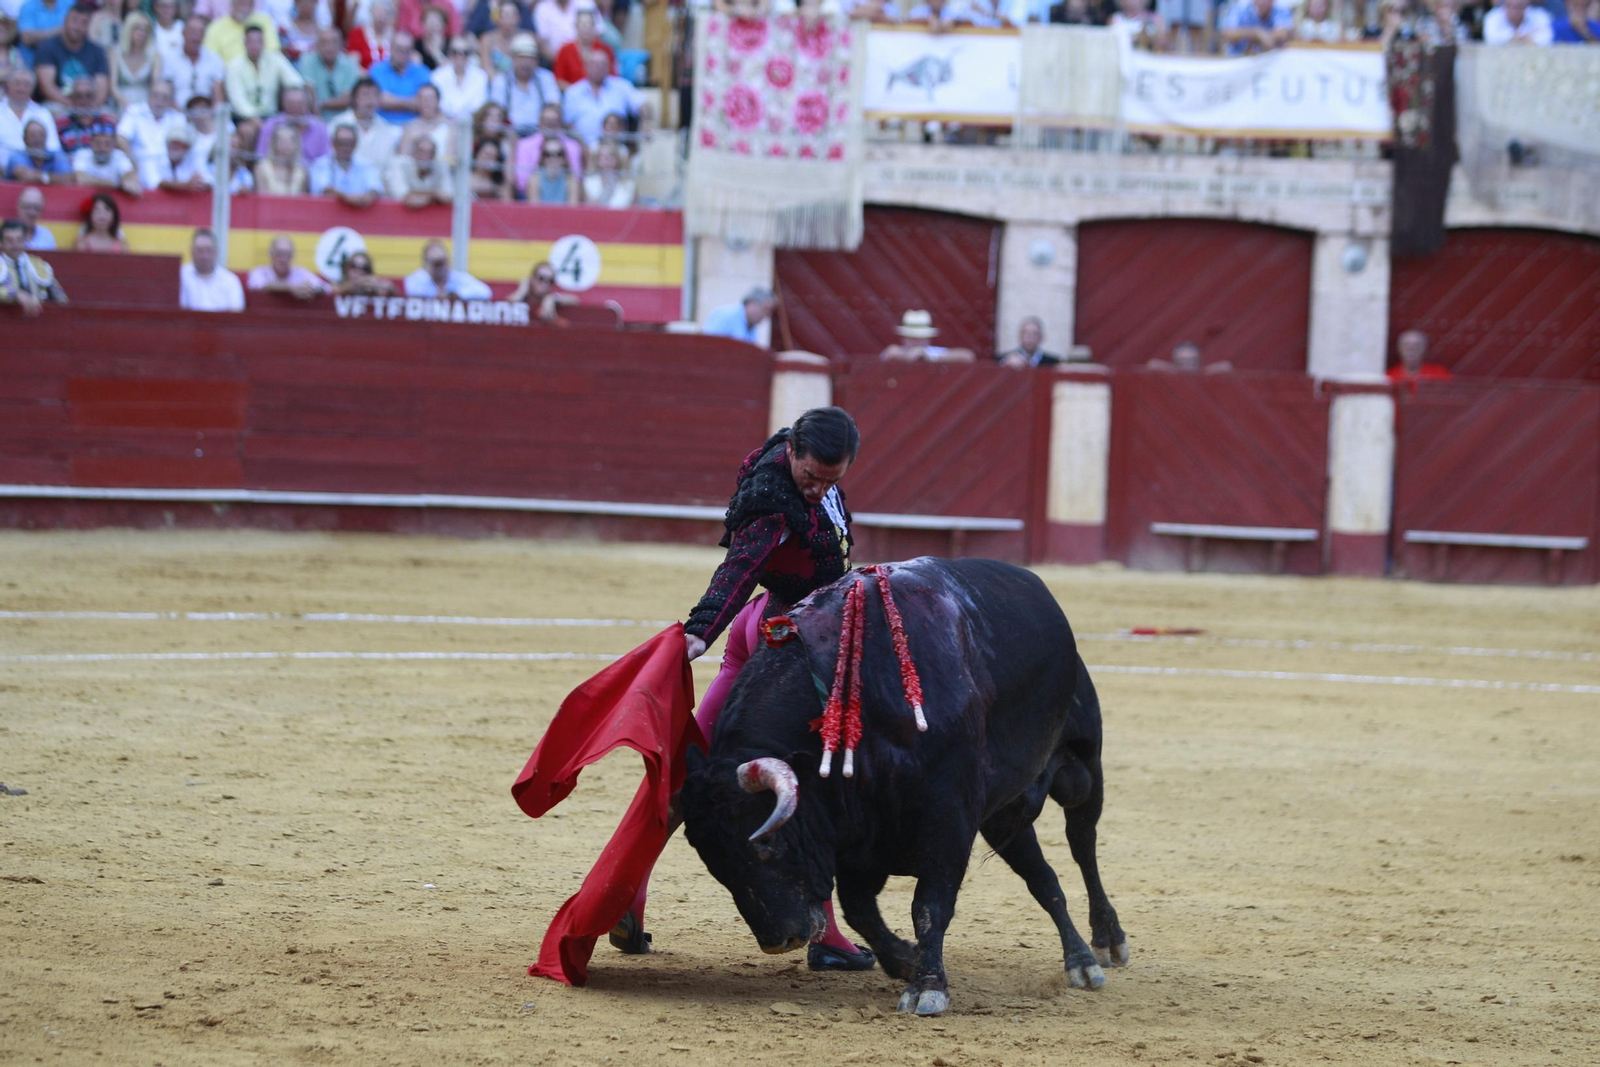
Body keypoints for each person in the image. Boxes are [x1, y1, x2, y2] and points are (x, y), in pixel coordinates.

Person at [613, 406, 878, 974]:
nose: (817, 488)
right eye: (811, 476)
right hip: (784, 649)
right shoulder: (771, 498)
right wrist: (697, 631)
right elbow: (738, 570)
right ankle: (827, 936)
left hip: (771, 632)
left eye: (831, 479)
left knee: (692, 774)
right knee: (817, 783)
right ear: (792, 455)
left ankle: (625, 896)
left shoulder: (803, 463)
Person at [561, 45, 642, 146]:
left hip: (616, 149)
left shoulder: (622, 87)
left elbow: (642, 104)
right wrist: (582, 147)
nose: (598, 68)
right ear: (586, 67)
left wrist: (646, 122)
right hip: (582, 148)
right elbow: (568, 125)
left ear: (609, 67)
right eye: (594, 65)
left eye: (602, 65)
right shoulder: (573, 92)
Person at [34, 4, 111, 109]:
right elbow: (47, 87)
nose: (78, 27)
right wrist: (71, 106)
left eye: (83, 23)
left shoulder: (97, 51)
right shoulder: (47, 47)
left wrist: (92, 107)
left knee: (109, 114)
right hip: (58, 103)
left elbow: (102, 88)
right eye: (74, 20)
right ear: (65, 21)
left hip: (91, 105)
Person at [227, 24, 305, 119]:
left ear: (264, 43)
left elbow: (295, 81)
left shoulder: (276, 59)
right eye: (251, 42)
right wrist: (255, 119)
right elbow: (238, 102)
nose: (255, 46)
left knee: (298, 92)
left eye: (258, 41)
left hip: (271, 117)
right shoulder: (234, 65)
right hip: (244, 118)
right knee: (249, 130)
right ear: (245, 43)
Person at [487, 32, 558, 135]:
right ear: (512, 58)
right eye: (521, 58)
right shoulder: (501, 81)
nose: (525, 63)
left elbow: (555, 106)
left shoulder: (546, 78)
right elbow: (497, 112)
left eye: (530, 58)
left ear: (537, 60)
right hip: (509, 134)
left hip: (540, 134)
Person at [117, 78, 185, 184]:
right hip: (141, 165)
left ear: (172, 101)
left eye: (165, 97)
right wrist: (133, 161)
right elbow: (121, 138)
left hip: (169, 167)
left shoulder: (177, 117)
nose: (159, 101)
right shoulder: (134, 111)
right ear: (148, 95)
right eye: (155, 95)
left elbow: (185, 145)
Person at [328, 76, 402, 172]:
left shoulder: (386, 128)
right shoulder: (336, 125)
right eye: (365, 95)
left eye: (374, 95)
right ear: (355, 98)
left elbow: (390, 168)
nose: (370, 100)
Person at [0, 217, 69, 315]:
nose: (15, 245)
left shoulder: (38, 264)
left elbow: (60, 297)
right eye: (9, 240)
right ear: (1, 242)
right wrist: (16, 294)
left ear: (25, 240)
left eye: (19, 239)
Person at [308, 120, 384, 205]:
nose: (345, 148)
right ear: (333, 143)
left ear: (355, 144)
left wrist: (365, 198)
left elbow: (375, 188)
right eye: (341, 143)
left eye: (349, 143)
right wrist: (348, 198)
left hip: (360, 214)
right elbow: (324, 189)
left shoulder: (366, 165)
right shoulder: (320, 165)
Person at [369, 30, 430, 123]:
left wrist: (390, 100)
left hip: (413, 126)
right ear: (391, 48)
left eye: (406, 50)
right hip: (382, 125)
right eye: (399, 49)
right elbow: (378, 100)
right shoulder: (376, 70)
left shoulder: (422, 72)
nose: (402, 53)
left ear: (412, 51)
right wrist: (411, 102)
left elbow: (425, 103)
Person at [298, 27, 360, 119]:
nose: (329, 47)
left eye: (334, 42)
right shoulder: (307, 61)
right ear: (317, 45)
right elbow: (308, 94)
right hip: (314, 117)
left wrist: (321, 103)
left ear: (342, 44)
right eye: (324, 43)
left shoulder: (349, 64)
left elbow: (349, 99)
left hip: (346, 120)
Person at [180, 227, 246, 311]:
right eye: (199, 250)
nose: (204, 256)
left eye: (209, 250)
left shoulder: (230, 280)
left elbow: (236, 314)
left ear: (216, 252)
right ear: (191, 252)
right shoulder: (180, 276)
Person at [258, 84, 328, 163]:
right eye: (291, 103)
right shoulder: (270, 125)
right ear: (283, 104)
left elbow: (325, 160)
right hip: (277, 171)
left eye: (299, 103)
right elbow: (261, 157)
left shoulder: (319, 127)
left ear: (307, 104)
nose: (295, 107)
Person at [248, 233, 330, 298]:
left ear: (292, 256)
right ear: (271, 254)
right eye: (279, 253)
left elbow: (325, 288)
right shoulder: (259, 272)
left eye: (287, 254)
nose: (283, 259)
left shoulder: (301, 273)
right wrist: (291, 288)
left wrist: (311, 290)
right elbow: (260, 285)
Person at [167, 16, 226, 105]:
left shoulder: (215, 59)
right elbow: (166, 93)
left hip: (206, 114)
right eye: (192, 31)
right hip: (176, 113)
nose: (196, 36)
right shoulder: (170, 58)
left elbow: (218, 95)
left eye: (200, 32)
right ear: (183, 32)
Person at [72, 121, 142, 197]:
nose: (102, 148)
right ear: (91, 143)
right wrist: (116, 184)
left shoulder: (119, 156)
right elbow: (81, 179)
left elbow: (130, 180)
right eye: (97, 143)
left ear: (114, 144)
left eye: (107, 144)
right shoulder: (82, 154)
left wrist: (128, 180)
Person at [404, 238, 490, 298]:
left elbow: (484, 291)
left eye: (443, 262)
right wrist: (437, 295)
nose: (441, 268)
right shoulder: (417, 278)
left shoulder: (456, 277)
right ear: (426, 264)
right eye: (436, 263)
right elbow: (413, 291)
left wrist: (457, 295)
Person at [2, 70, 60, 160]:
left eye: (26, 85)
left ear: (33, 88)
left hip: (37, 167)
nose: (21, 88)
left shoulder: (43, 113)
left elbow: (53, 147)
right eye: (17, 83)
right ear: (8, 85)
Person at [111, 9, 161, 110]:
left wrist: (145, 106)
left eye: (145, 29)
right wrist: (124, 103)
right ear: (129, 29)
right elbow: (113, 87)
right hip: (121, 104)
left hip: (146, 105)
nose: (142, 33)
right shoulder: (115, 52)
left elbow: (155, 86)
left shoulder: (155, 55)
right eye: (137, 28)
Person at [203, 0, 282, 64]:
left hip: (261, 73)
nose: (244, 7)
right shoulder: (215, 28)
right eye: (241, 2)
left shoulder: (264, 21)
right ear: (232, 4)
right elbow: (210, 59)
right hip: (228, 76)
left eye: (248, 3)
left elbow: (273, 51)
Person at [880, 309, 976, 362]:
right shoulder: (897, 351)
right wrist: (906, 357)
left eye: (921, 337)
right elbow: (889, 353)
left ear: (928, 339)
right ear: (904, 339)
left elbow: (968, 356)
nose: (917, 341)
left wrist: (931, 358)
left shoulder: (932, 352)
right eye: (913, 337)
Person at [387, 132, 452, 206]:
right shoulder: (399, 164)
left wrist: (425, 197)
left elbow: (447, 196)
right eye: (421, 151)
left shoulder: (441, 166)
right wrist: (434, 194)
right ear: (413, 153)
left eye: (430, 152)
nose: (425, 156)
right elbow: (399, 193)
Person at [552, 7, 610, 88]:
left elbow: (612, 78)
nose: (586, 28)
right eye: (582, 24)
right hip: (572, 97)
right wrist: (578, 94)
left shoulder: (605, 49)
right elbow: (559, 80)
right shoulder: (565, 50)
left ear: (594, 26)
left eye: (589, 24)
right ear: (576, 26)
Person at [702, 286, 775, 345]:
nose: (767, 315)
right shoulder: (726, 315)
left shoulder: (751, 324)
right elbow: (709, 345)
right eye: (765, 309)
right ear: (751, 304)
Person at [507, 258, 576, 320]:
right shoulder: (521, 292)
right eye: (541, 278)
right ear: (532, 278)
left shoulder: (549, 299)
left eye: (550, 280)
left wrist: (553, 298)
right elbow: (507, 304)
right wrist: (521, 292)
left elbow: (574, 299)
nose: (545, 283)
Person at [6, 119, 72, 182]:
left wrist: (41, 177)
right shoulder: (18, 155)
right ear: (24, 139)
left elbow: (68, 178)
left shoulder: (56, 155)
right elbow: (24, 175)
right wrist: (52, 178)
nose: (37, 139)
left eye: (41, 135)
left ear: (46, 137)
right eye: (32, 135)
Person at [533, 0, 597, 63]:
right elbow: (542, 44)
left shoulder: (586, 3)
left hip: (589, 60)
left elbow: (597, 33)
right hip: (554, 61)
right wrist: (563, 60)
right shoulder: (542, 7)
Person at [255, 121, 309, 192]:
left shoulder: (301, 171)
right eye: (281, 140)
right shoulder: (262, 168)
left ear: (297, 144)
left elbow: (302, 200)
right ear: (274, 143)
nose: (286, 144)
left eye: (291, 140)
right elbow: (261, 199)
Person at [1220, 0, 1293, 53]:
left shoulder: (1280, 9)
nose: (1264, 2)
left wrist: (1263, 36)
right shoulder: (1239, 8)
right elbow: (1227, 33)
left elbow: (1283, 32)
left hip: (1269, 63)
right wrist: (1256, 33)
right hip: (1238, 61)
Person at [1386, 328, 1452, 383]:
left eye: (1416, 346)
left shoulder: (1439, 375)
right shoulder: (1388, 377)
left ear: (1424, 349)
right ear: (1399, 349)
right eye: (1406, 346)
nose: (1411, 350)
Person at [524, 131, 575, 201]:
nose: (553, 158)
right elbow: (534, 209)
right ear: (543, 158)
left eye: (558, 154)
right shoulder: (534, 179)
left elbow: (572, 209)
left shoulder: (571, 180)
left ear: (564, 158)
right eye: (548, 154)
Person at [580, 138, 632, 206]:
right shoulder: (588, 183)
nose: (607, 160)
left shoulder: (629, 185)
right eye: (603, 156)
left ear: (618, 159)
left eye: (611, 156)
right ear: (597, 160)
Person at [996, 316, 1062, 367]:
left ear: (1041, 337)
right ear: (1020, 336)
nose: (1030, 337)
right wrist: (1006, 364)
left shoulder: (1053, 363)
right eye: (1026, 333)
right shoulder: (1004, 360)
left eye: (1034, 333)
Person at [346, 0, 395, 69]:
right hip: (364, 78)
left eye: (386, 13)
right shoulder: (357, 33)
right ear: (371, 12)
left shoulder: (396, 38)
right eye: (378, 12)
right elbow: (351, 63)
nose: (381, 17)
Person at [333, 247, 397, 295]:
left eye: (364, 268)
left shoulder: (371, 288)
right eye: (354, 266)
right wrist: (357, 284)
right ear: (347, 268)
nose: (358, 271)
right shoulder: (336, 284)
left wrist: (387, 288)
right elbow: (335, 290)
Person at [1482, 0, 1554, 42]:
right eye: (1510, 6)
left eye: (1519, 6)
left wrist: (1514, 40)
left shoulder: (1540, 16)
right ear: (1504, 5)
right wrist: (1516, 39)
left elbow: (1547, 39)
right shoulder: (1492, 17)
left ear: (1526, 5)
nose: (1515, 10)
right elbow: (1491, 39)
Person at [1147, 339, 1232, 373]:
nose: (1187, 365)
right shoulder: (1171, 377)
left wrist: (1203, 372)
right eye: (1182, 362)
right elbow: (1152, 364)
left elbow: (1226, 365)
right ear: (1175, 361)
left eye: (1191, 361)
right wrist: (1175, 370)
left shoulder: (1203, 375)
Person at [467, 134, 511, 199]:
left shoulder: (501, 183)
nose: (489, 159)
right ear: (477, 154)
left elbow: (508, 204)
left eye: (493, 157)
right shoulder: (464, 178)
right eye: (486, 154)